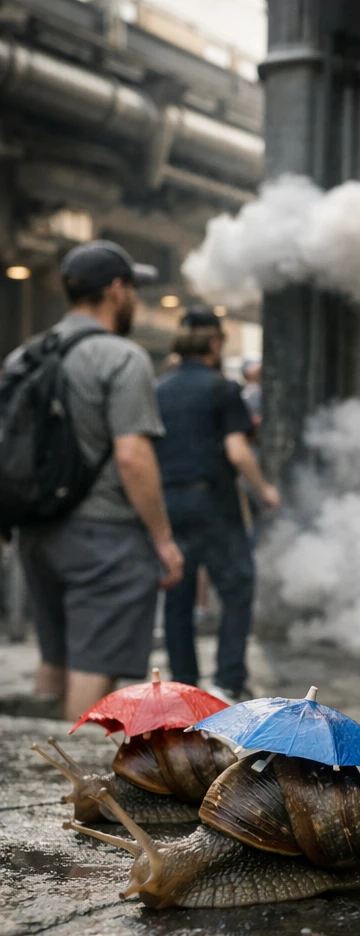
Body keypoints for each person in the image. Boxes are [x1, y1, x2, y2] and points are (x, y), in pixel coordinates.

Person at [5, 240, 183, 720]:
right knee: (93, 665)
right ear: (117, 290)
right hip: (104, 538)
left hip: (37, 533)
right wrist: (163, 539)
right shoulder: (121, 357)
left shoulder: (25, 355)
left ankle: (31, 758)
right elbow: (132, 456)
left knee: (55, 656)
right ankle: (73, 766)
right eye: (133, 290)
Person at [155, 308, 280, 702]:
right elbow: (237, 451)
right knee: (237, 587)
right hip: (213, 502)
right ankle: (227, 680)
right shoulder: (222, 389)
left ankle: (183, 684)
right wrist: (264, 489)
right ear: (214, 343)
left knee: (178, 595)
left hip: (169, 501)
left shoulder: (159, 389)